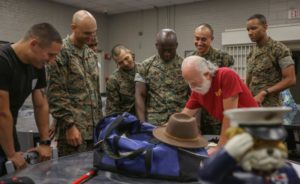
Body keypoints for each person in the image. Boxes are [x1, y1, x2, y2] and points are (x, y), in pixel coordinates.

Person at [0, 23, 62, 176]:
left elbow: (40, 105)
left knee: (16, 175)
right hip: (3, 125)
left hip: (7, 131)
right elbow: (2, 113)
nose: (52, 61)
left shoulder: (37, 65)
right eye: (50, 55)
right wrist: (11, 153)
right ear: (34, 44)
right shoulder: (3, 61)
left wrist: (45, 142)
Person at [47, 10, 103, 156]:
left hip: (95, 130)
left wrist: (101, 124)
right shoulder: (61, 52)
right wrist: (69, 126)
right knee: (73, 175)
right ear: (73, 28)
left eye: (93, 33)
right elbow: (56, 94)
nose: (91, 37)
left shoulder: (91, 54)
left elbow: (96, 92)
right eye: (87, 33)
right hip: (74, 132)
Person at [199, 107, 300, 184]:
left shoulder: (285, 171)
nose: (270, 150)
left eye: (275, 144)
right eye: (257, 145)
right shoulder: (230, 173)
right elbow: (206, 177)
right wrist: (227, 153)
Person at [181, 56, 258, 156]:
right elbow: (183, 116)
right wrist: (163, 131)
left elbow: (230, 116)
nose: (192, 88)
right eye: (189, 84)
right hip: (236, 133)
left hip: (255, 131)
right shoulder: (198, 90)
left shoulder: (226, 75)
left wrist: (220, 147)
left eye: (194, 83)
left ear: (207, 75)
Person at [135, 29, 189, 125]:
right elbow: (140, 95)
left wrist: (196, 124)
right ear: (156, 46)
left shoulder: (186, 66)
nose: (167, 53)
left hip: (179, 120)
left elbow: (194, 97)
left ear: (176, 45)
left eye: (170, 50)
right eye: (163, 50)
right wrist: (142, 123)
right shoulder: (145, 66)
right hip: (154, 121)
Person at [191, 23, 235, 136]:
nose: (199, 43)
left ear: (211, 39)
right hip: (198, 111)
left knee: (219, 144)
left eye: (204, 39)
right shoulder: (191, 59)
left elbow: (230, 87)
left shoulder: (223, 57)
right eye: (197, 38)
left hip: (217, 113)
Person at [246, 14, 296, 107]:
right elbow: (248, 82)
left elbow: (291, 79)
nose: (250, 32)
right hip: (253, 106)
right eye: (248, 29)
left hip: (271, 108)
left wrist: (264, 92)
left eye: (253, 28)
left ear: (265, 27)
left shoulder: (279, 49)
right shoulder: (251, 53)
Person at [105, 45, 140, 116]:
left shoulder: (144, 70)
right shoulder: (114, 80)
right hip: (127, 119)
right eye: (120, 62)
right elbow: (112, 109)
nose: (125, 63)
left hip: (148, 118)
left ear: (130, 53)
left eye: (126, 58)